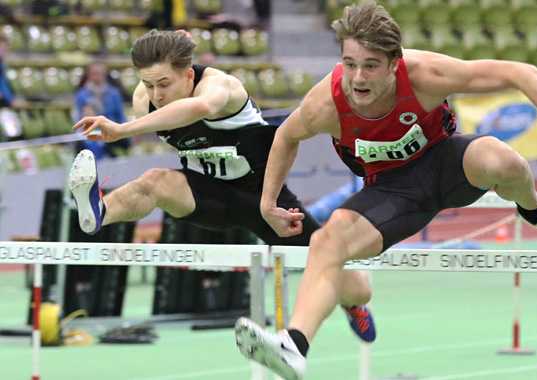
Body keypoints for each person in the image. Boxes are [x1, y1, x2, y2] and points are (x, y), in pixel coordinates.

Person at [233, 2, 537, 379]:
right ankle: (295, 346)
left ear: (395, 63)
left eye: (371, 65)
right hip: (391, 193)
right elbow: (285, 137)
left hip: (446, 164)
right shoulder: (325, 104)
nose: (358, 78)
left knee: (501, 159)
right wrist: (268, 203)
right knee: (325, 242)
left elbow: (521, 72)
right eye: (349, 64)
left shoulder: (426, 75)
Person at [69, 29, 376, 342]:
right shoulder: (143, 100)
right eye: (148, 85)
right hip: (207, 195)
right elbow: (160, 93)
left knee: (356, 287)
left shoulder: (221, 86)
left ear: (189, 75)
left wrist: (123, 130)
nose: (156, 95)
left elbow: (200, 109)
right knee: (154, 180)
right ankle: (99, 211)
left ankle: (353, 305)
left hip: (264, 201)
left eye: (164, 84)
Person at [73, 60, 130, 159]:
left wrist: (124, 131)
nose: (97, 77)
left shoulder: (114, 93)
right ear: (89, 75)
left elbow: (121, 115)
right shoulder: (82, 95)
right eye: (95, 73)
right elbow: (78, 119)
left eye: (100, 74)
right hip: (92, 136)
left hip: (112, 134)